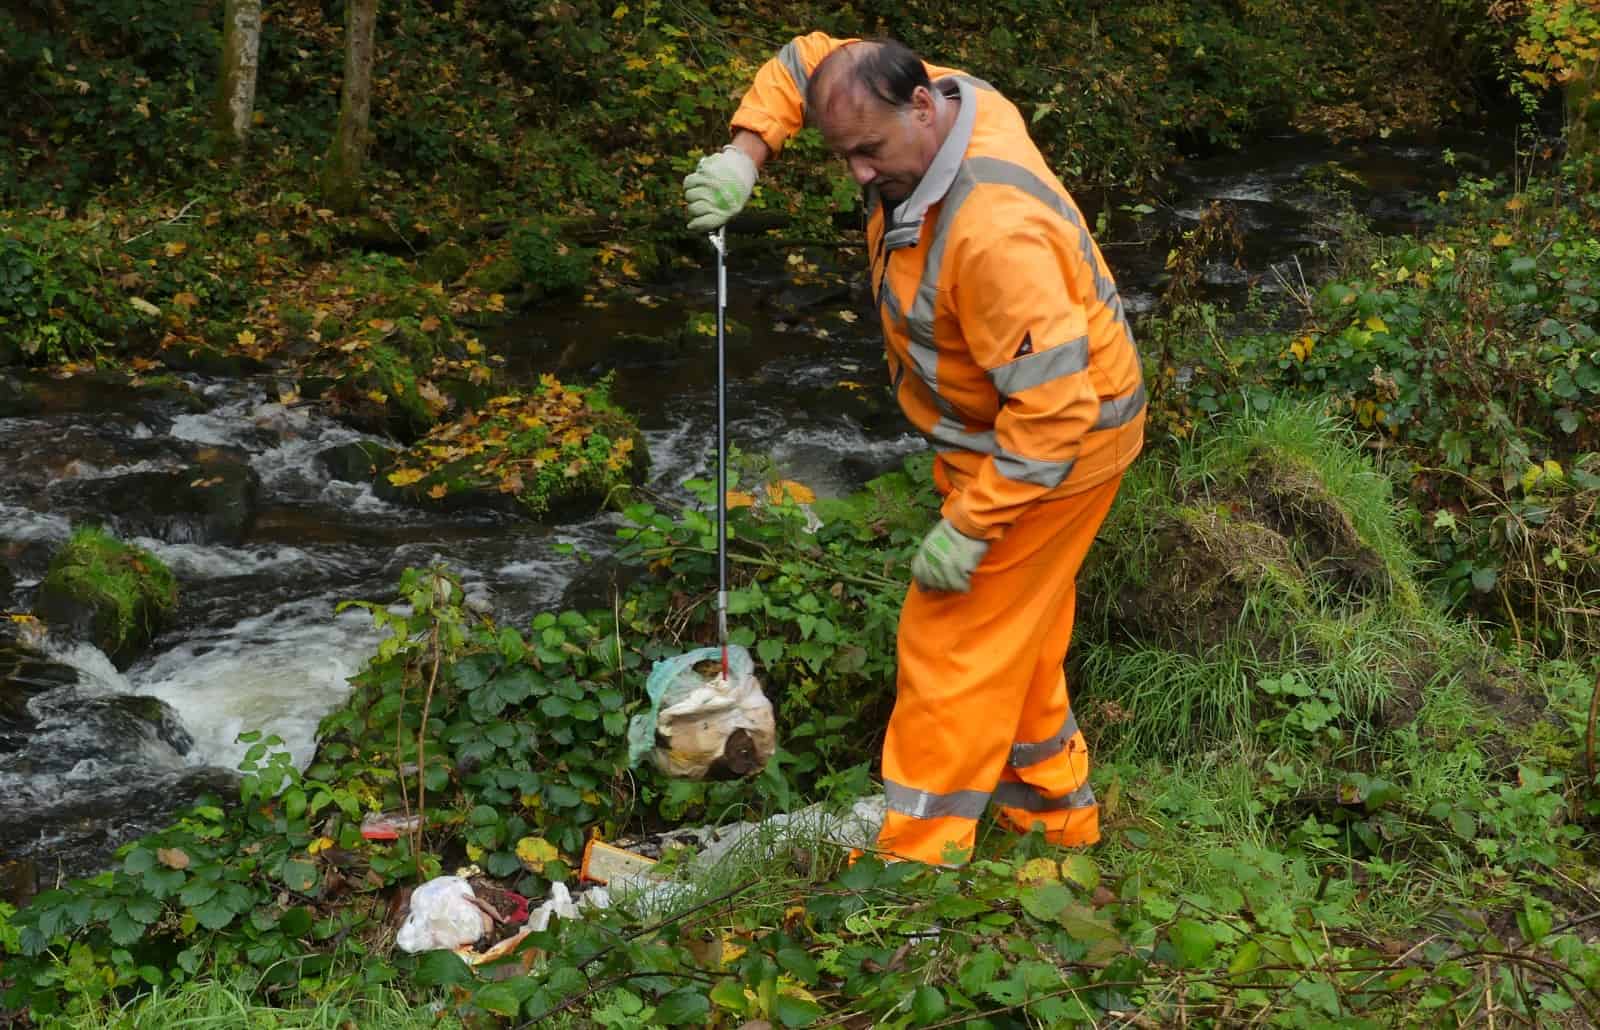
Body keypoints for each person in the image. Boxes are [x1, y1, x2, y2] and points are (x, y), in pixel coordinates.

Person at [682, 33, 1145, 865]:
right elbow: (808, 60)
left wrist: (973, 524)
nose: (859, 173)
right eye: (842, 154)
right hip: (1004, 438)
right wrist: (748, 154)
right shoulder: (926, 97)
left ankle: (917, 862)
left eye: (870, 151)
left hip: (1061, 450)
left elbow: (1054, 411)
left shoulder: (997, 234)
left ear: (922, 108)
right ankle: (1052, 818)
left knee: (952, 643)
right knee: (1021, 636)